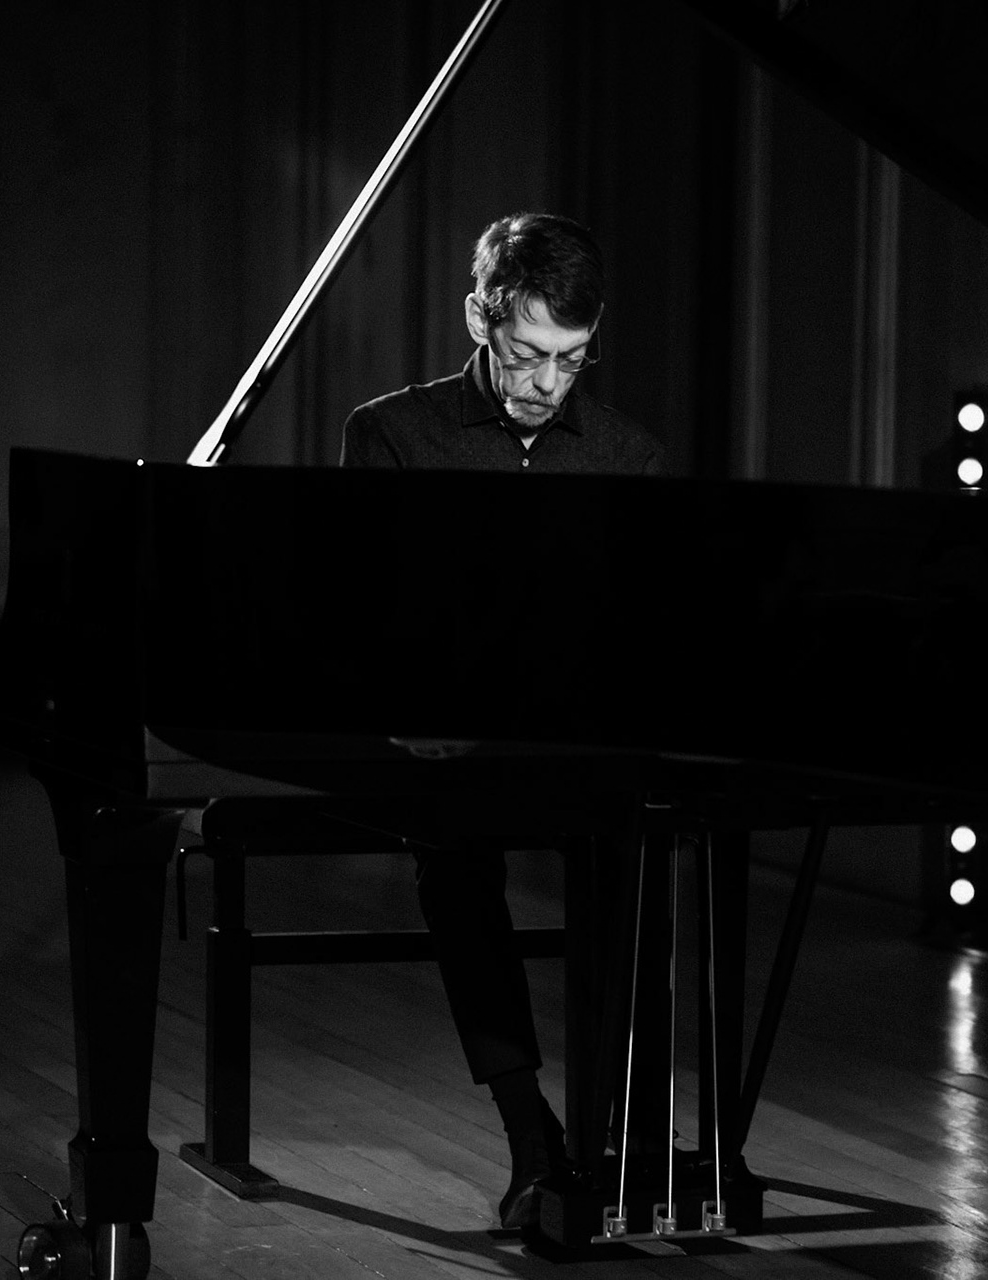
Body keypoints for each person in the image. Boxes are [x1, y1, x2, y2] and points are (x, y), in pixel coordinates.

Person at [340, 211, 663, 1229]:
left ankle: (612, 1138)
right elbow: (367, 611)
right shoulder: (393, 430)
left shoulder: (625, 452)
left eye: (572, 360)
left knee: (637, 843)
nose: (546, 384)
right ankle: (533, 1136)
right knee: (455, 851)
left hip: (573, 731)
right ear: (481, 319)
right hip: (444, 732)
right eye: (526, 354)